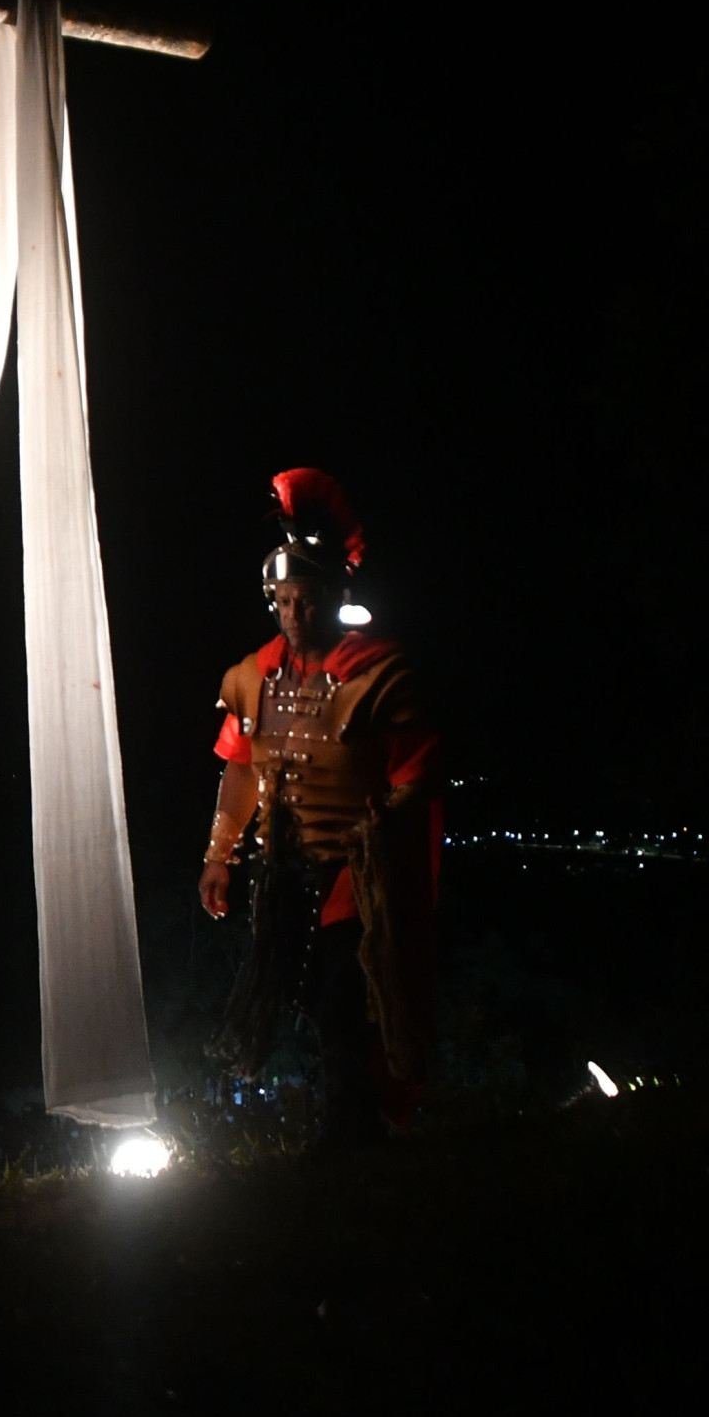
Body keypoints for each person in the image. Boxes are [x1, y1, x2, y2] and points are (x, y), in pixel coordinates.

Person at [199, 468, 444, 1142]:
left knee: (347, 994)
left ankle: (350, 1127)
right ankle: (339, 1120)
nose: (295, 614)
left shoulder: (381, 675)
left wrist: (382, 839)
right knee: (303, 995)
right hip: (284, 868)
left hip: (356, 871)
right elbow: (241, 769)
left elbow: (417, 772)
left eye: (307, 601)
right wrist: (220, 854)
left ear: (333, 597)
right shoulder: (250, 678)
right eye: (284, 601)